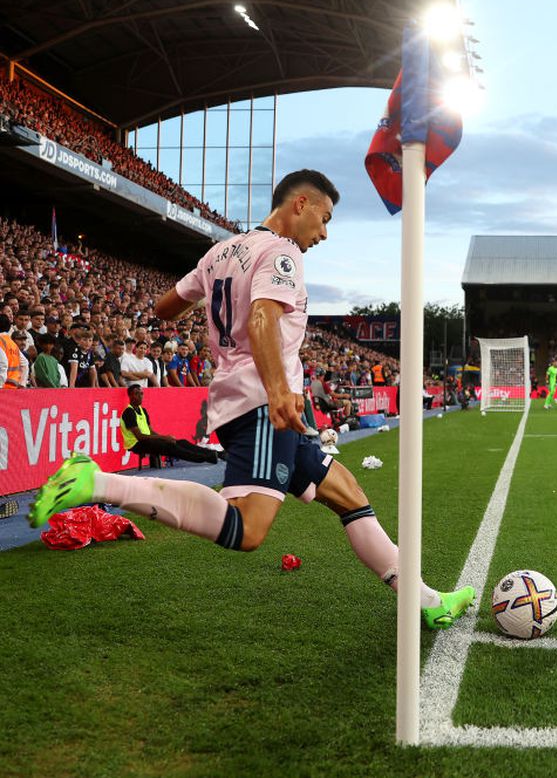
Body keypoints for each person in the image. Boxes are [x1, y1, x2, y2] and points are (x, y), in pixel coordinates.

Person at [30, 169, 473, 630]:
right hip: (262, 402)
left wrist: (218, 315)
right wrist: (280, 392)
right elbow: (262, 318)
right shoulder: (282, 254)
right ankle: (99, 483)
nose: (324, 233)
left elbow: (164, 308)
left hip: (248, 398)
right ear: (298, 204)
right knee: (247, 529)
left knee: (348, 494)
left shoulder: (220, 252)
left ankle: (424, 600)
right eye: (323, 219)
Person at [120, 384, 220, 466]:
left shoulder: (143, 410)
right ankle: (205, 458)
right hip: (136, 444)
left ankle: (212, 453)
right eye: (136, 394)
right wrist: (163, 438)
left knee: (181, 442)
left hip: (147, 440)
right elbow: (140, 437)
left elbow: (150, 431)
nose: (140, 396)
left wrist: (163, 438)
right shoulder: (128, 412)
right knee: (170, 446)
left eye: (141, 393)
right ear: (130, 396)